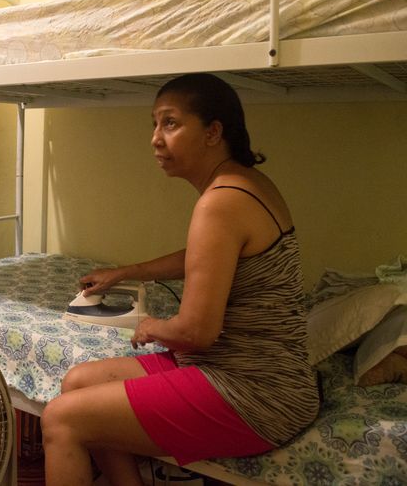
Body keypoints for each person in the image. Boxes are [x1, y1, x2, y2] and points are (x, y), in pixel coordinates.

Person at [41, 73, 320, 486]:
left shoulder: (220, 202)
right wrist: (125, 273)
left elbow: (195, 332)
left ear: (213, 132)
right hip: (250, 371)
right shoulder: (244, 184)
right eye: (154, 124)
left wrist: (153, 326)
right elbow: (207, 258)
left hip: (255, 391)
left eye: (170, 123)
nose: (155, 138)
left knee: (60, 419)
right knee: (77, 381)